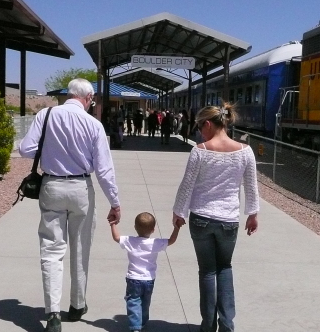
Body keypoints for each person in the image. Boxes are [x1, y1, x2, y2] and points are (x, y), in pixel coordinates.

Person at [19, 78, 121, 332]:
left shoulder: (46, 114)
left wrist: (51, 151)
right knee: (80, 247)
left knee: (51, 250)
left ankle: (52, 312)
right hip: (80, 188)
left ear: (69, 94)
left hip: (52, 185)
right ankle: (77, 305)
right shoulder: (94, 125)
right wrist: (114, 202)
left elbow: (25, 149)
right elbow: (104, 170)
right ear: (87, 98)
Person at [172, 103, 259, 332]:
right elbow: (251, 186)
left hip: (201, 219)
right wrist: (252, 214)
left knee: (207, 271)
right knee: (225, 268)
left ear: (208, 124)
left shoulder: (200, 150)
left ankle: (208, 326)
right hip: (229, 221)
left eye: (200, 126)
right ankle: (227, 325)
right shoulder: (245, 151)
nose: (200, 132)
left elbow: (187, 185)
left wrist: (178, 213)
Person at [110, 212, 182, 332]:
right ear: (153, 230)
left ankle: (135, 326)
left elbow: (116, 238)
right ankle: (142, 322)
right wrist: (176, 228)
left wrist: (113, 224)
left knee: (133, 302)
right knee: (145, 302)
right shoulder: (155, 243)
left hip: (133, 279)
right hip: (149, 279)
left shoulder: (130, 241)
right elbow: (171, 240)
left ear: (135, 227)